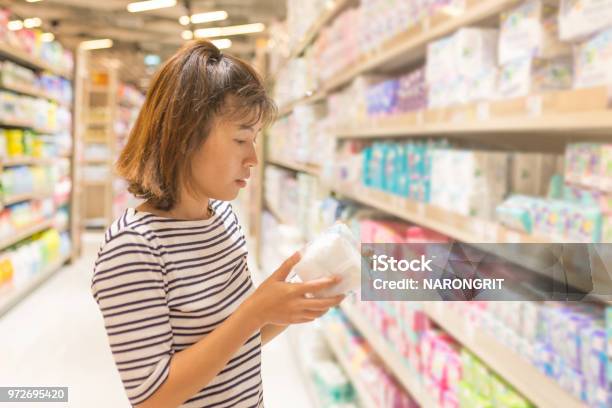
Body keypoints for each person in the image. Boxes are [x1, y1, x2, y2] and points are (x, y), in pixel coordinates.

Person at [91, 40, 344, 408]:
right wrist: (254, 312)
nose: (253, 158)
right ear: (185, 136)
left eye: (255, 140)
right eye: (241, 139)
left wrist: (290, 306)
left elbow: (232, 343)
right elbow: (152, 398)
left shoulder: (223, 219)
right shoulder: (133, 248)